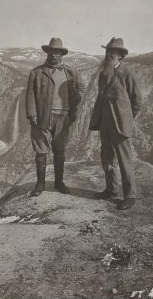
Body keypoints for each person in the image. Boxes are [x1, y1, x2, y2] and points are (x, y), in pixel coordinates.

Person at [25, 37, 85, 197]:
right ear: (47, 53)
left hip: (63, 117)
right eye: (51, 52)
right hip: (43, 117)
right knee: (41, 152)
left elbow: (80, 87)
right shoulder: (37, 73)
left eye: (57, 53)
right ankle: (40, 184)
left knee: (60, 151)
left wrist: (74, 101)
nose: (54, 56)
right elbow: (30, 94)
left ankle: (59, 182)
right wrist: (32, 114)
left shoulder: (70, 72)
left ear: (61, 55)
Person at [89, 37, 143, 210]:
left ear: (120, 56)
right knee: (106, 158)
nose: (108, 55)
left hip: (120, 125)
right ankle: (111, 190)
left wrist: (127, 118)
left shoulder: (127, 73)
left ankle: (130, 195)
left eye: (112, 52)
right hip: (104, 123)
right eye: (107, 52)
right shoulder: (103, 73)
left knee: (124, 160)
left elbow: (137, 101)